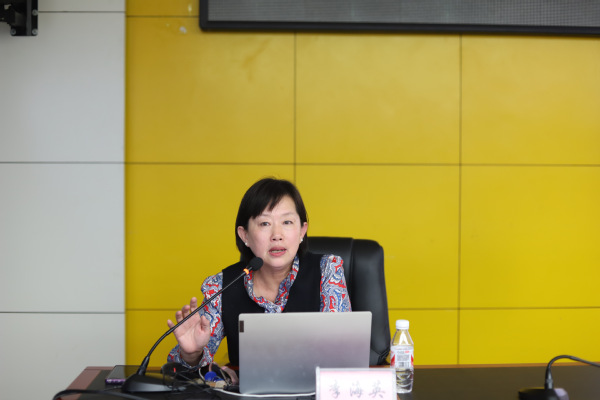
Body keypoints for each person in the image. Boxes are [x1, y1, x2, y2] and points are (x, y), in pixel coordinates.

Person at [166, 177, 352, 372]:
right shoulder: (222, 286)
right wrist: (192, 354)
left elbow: (342, 352)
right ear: (245, 235)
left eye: (287, 222)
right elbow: (183, 372)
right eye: (264, 223)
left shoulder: (327, 271)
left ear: (302, 231)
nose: (277, 235)